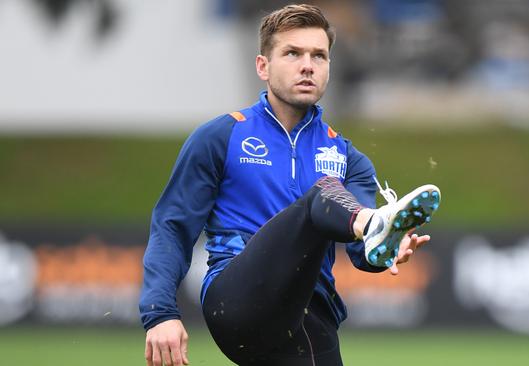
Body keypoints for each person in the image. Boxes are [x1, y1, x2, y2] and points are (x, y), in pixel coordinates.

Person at [139, 4, 441, 366]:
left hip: (310, 316)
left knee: (341, 211)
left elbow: (362, 256)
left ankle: (379, 226)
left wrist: (389, 249)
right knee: (322, 193)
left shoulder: (350, 158)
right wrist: (160, 313)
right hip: (239, 301)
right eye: (293, 53)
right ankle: (376, 222)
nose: (308, 65)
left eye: (319, 56)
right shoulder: (220, 136)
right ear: (263, 67)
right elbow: (172, 226)